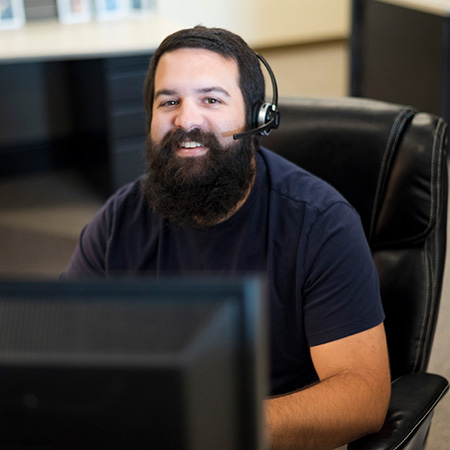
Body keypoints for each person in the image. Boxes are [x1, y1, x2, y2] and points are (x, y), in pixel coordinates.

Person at [62, 26, 391, 449]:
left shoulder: (321, 223)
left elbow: (364, 396)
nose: (187, 120)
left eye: (211, 99)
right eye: (169, 102)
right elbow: (65, 349)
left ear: (255, 119)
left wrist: (217, 424)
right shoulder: (118, 221)